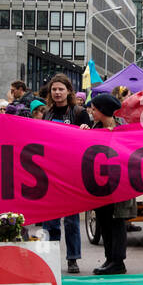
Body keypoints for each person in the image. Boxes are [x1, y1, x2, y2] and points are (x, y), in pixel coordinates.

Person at [39, 73, 87, 273]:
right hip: (50, 174)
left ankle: (72, 259)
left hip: (71, 174)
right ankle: (50, 259)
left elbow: (91, 142)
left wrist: (86, 131)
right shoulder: (47, 114)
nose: (57, 92)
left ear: (68, 91)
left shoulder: (79, 113)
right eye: (54, 89)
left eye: (61, 89)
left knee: (71, 220)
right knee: (50, 220)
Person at [86, 93, 133, 275]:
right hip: (101, 184)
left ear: (103, 111)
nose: (91, 111)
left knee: (117, 221)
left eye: (95, 109)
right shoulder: (93, 128)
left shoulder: (123, 130)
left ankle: (118, 261)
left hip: (119, 183)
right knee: (104, 220)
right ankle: (109, 258)